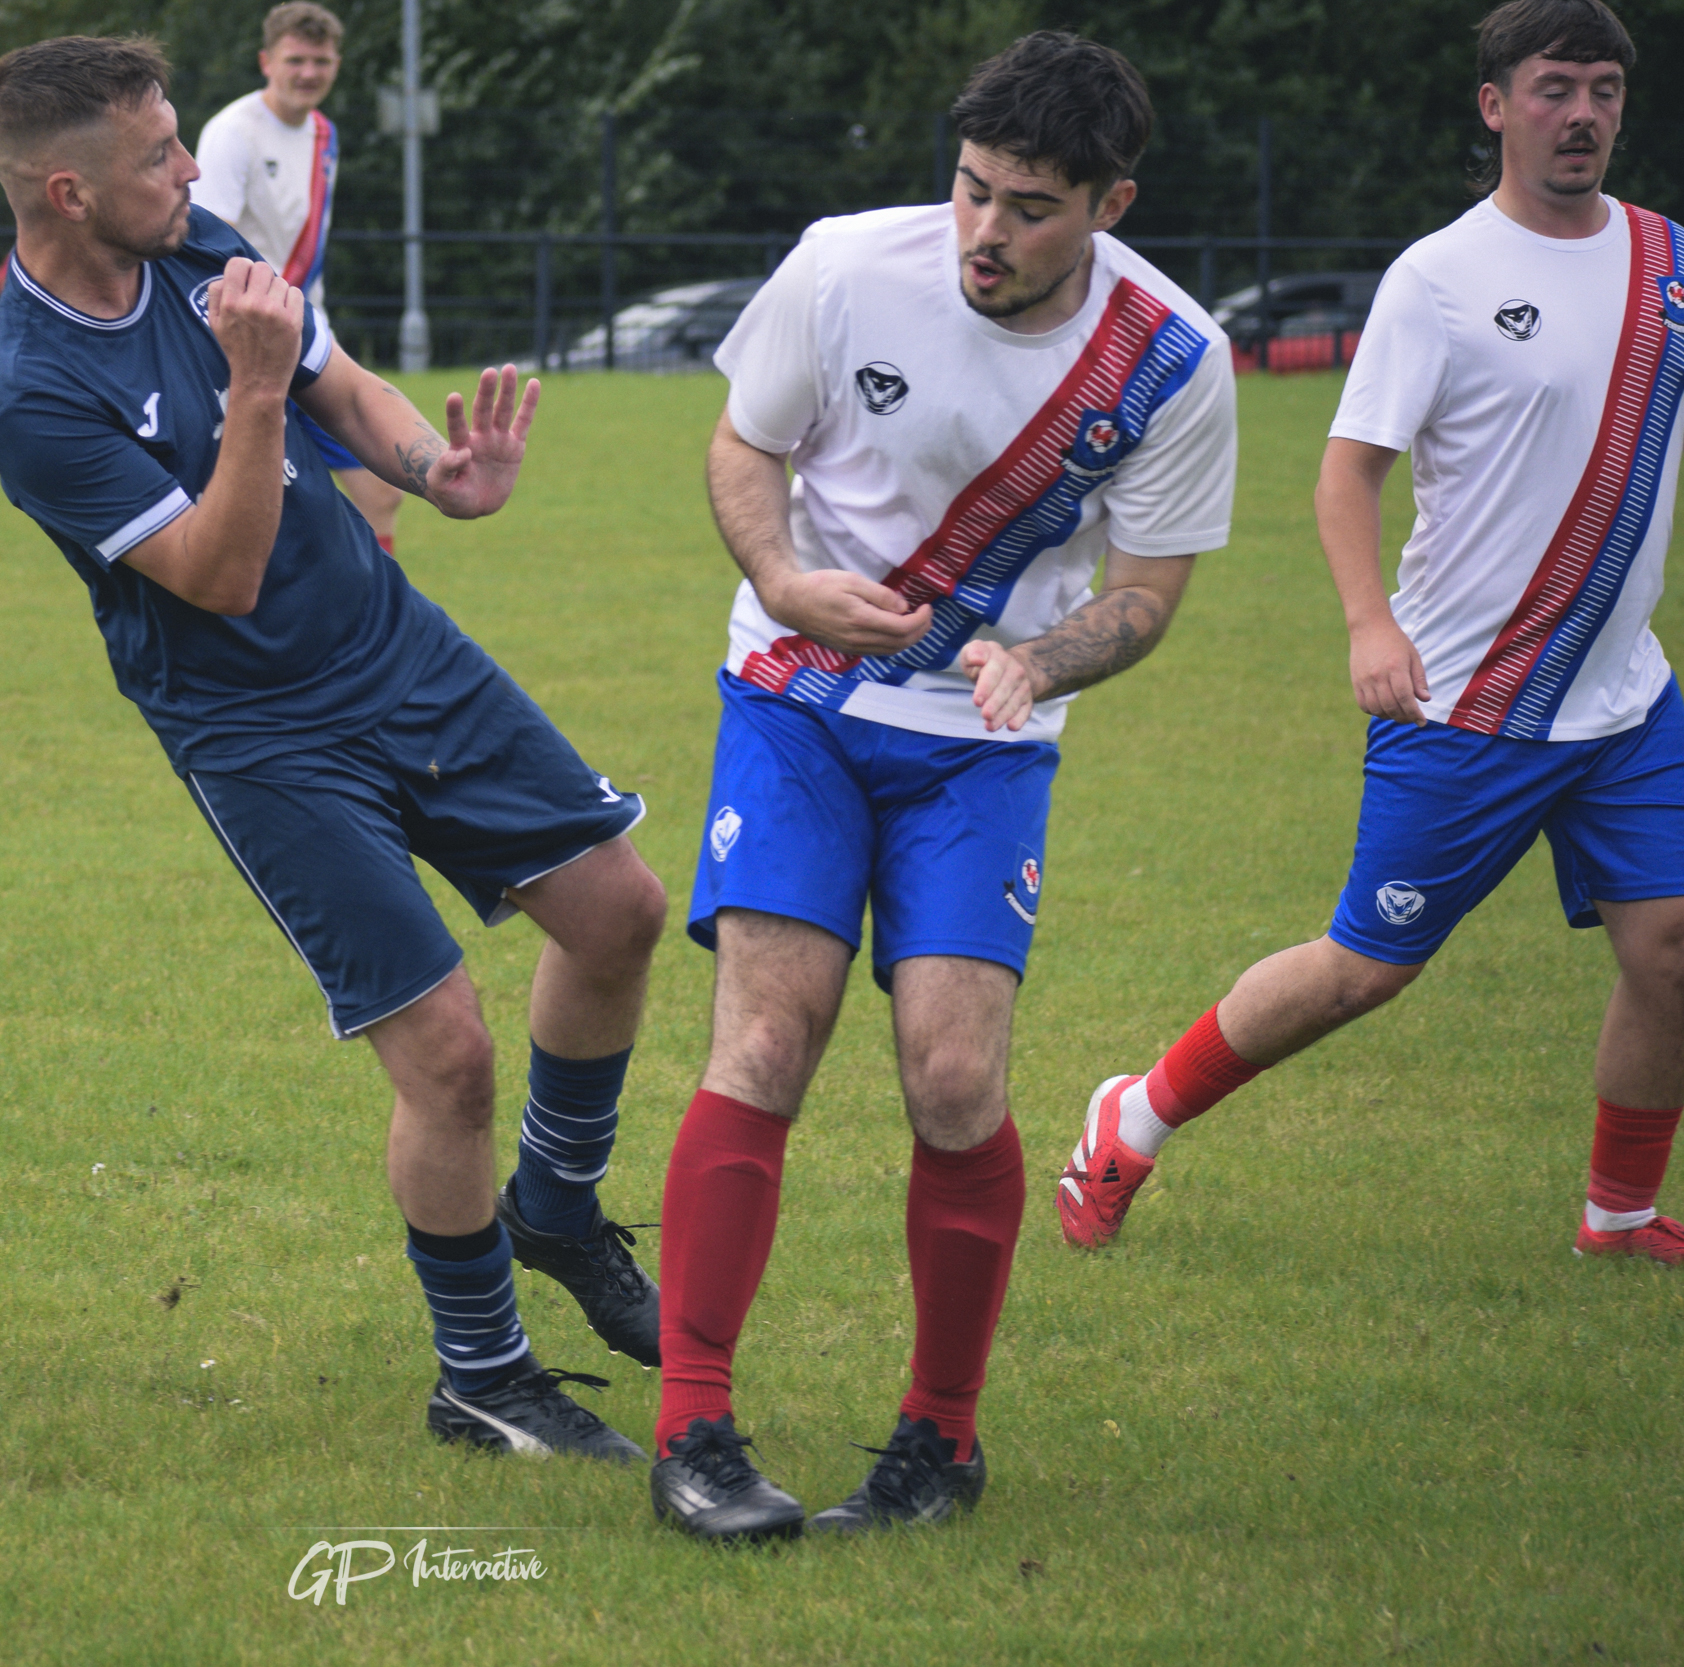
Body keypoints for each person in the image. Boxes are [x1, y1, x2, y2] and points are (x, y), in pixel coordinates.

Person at [0, 35, 668, 1460]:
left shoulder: (197, 242)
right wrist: (253, 391)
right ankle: (480, 1372)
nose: (190, 169)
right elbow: (218, 573)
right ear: (68, 190)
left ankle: (554, 1197)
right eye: (158, 156)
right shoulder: (27, 389)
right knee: (449, 1054)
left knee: (619, 909)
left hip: (393, 644)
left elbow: (342, 383)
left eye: (179, 144)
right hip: (258, 731)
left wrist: (435, 469)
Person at [649, 31, 1238, 1541]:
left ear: (1109, 203)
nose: (985, 230)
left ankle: (940, 1445)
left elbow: (1149, 591)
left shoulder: (1173, 359)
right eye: (972, 190)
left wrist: (1037, 666)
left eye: (1031, 206)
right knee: (768, 1035)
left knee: (958, 1076)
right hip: (796, 699)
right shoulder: (847, 266)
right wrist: (783, 572)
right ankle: (692, 1433)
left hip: (983, 742)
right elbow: (743, 441)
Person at [1059, 0, 1684, 1268]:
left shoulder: (1668, 259)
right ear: (1495, 105)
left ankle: (1616, 1217)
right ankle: (1135, 1110)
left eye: (1604, 89)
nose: (1581, 114)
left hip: (1624, 701)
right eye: (1554, 87)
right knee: (1362, 969)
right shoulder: (1438, 279)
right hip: (1466, 700)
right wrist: (1367, 625)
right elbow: (1345, 476)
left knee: (1671, 950)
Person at [188, 2, 404, 553]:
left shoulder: (324, 133)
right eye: (296, 60)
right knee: (270, 499)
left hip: (302, 331)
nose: (309, 72)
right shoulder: (232, 132)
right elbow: (205, 244)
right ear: (266, 61)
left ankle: (366, 616)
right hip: (246, 340)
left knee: (377, 491)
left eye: (322, 61)